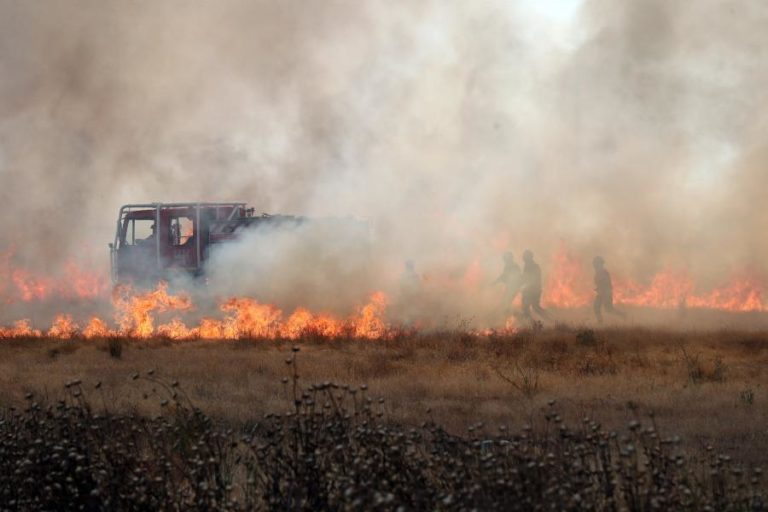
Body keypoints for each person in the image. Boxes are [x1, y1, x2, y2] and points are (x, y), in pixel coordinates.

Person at [593, 256, 625, 324]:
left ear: (600, 264)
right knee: (596, 307)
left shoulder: (604, 272)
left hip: (606, 294)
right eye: (594, 264)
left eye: (596, 264)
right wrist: (598, 288)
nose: (594, 266)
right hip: (601, 293)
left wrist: (601, 287)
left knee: (609, 309)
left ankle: (623, 315)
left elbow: (606, 283)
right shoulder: (598, 273)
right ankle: (600, 322)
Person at [521, 249, 550, 320]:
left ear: (529, 257)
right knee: (529, 308)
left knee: (534, 308)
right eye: (524, 256)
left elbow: (534, 279)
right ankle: (531, 324)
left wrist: (526, 286)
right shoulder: (527, 266)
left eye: (525, 256)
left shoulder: (534, 266)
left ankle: (550, 320)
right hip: (530, 291)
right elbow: (525, 278)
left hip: (533, 291)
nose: (523, 258)